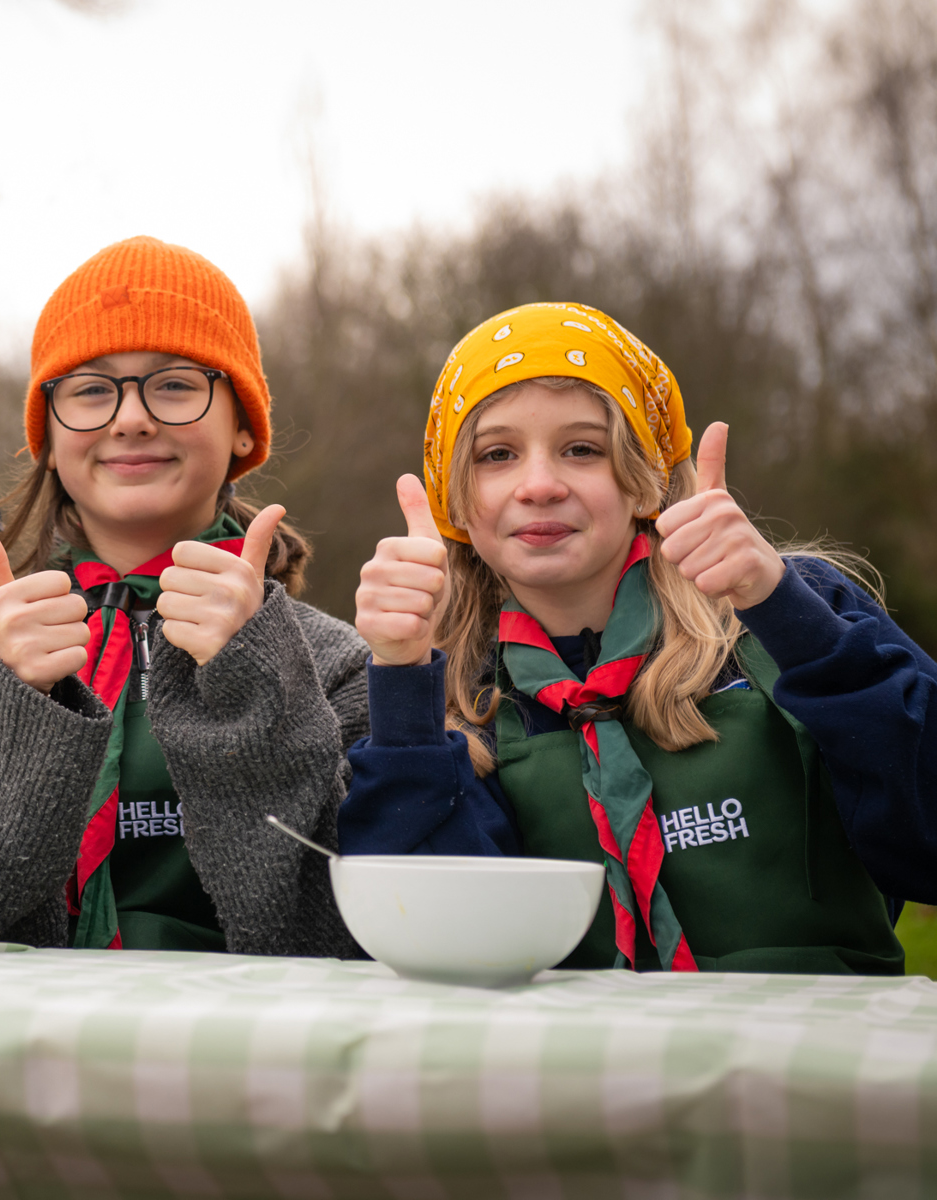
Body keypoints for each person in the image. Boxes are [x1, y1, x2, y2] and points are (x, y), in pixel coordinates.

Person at [342, 301, 937, 973]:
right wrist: (399, 679)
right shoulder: (456, 691)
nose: (539, 485)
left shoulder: (787, 610)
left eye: (582, 449)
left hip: (819, 1063)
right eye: (497, 454)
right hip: (581, 1072)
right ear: (453, 501)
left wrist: (787, 612)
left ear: (647, 478)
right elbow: (432, 940)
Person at [0, 237, 369, 955]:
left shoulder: (334, 664)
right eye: (89, 389)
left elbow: (329, 935)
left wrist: (260, 685)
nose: (131, 418)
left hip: (254, 1052)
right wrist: (8, 709)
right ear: (48, 434)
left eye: (175, 384)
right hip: (19, 1048)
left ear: (243, 427)